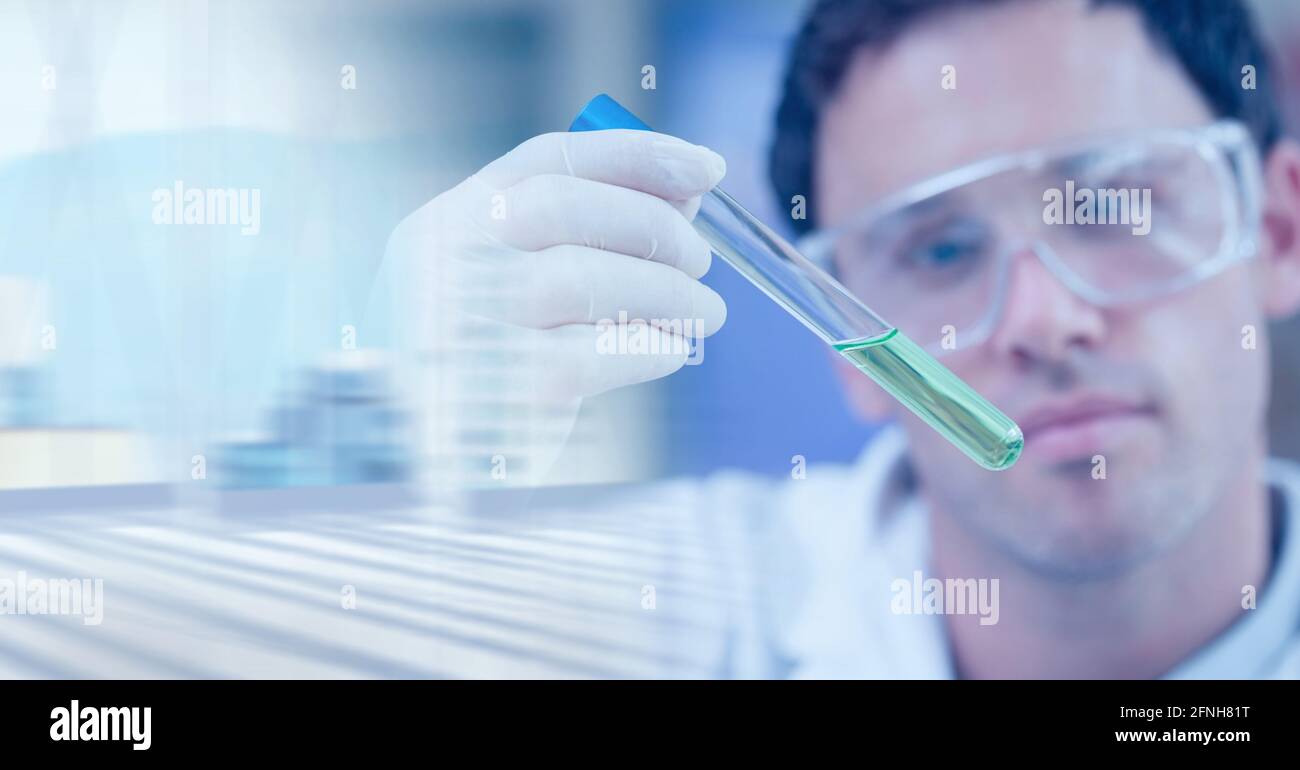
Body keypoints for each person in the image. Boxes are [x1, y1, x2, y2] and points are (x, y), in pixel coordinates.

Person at [382, 0, 1300, 678]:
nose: (1043, 321)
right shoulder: (686, 612)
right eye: (940, 248)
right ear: (839, 345)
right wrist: (376, 470)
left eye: (1113, 206)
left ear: (1279, 229)